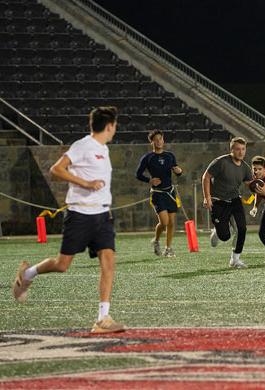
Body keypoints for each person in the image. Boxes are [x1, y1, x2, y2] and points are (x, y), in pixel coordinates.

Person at [12, 106, 125, 333]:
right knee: (62, 265)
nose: (115, 130)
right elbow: (56, 169)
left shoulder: (104, 149)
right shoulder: (83, 146)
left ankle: (103, 319)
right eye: (115, 125)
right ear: (110, 125)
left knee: (108, 262)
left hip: (102, 216)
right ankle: (27, 274)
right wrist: (85, 184)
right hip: (80, 214)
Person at [202, 137, 253, 268]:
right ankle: (218, 231)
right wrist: (207, 197)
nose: (241, 152)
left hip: (235, 199)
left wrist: (261, 188)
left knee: (242, 228)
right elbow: (206, 177)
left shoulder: (245, 167)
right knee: (225, 236)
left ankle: (235, 260)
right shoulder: (221, 162)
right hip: (218, 201)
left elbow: (250, 184)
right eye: (237, 149)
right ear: (231, 150)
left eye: (243, 149)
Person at [135, 130, 183, 258]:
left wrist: (179, 171)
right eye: (156, 139)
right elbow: (138, 174)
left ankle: (168, 248)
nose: (159, 141)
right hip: (157, 193)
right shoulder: (147, 158)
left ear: (163, 140)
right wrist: (149, 180)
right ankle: (156, 240)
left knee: (172, 222)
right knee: (164, 222)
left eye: (160, 139)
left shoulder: (170, 156)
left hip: (170, 192)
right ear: (152, 142)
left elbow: (177, 170)